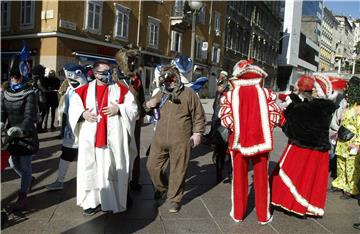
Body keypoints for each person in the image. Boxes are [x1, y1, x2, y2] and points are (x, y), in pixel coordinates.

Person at [68, 60, 138, 215]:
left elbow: (133, 110)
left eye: (109, 71)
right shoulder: (83, 90)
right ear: (94, 73)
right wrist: (83, 113)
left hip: (112, 139)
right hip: (91, 140)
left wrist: (119, 108)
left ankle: (112, 202)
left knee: (112, 169)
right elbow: (73, 109)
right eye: (103, 72)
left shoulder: (120, 89)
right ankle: (91, 202)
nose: (106, 75)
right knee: (91, 170)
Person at [219, 59, 283, 224]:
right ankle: (263, 215)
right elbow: (275, 115)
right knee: (261, 178)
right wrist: (263, 128)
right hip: (261, 142)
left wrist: (238, 128)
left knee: (239, 178)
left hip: (238, 142)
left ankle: (238, 214)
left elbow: (225, 118)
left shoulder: (230, 94)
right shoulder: (266, 93)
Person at [270, 75, 337, 217]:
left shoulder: (304, 108)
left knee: (294, 176)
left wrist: (285, 117)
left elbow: (290, 129)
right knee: (310, 180)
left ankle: (290, 203)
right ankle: (308, 207)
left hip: (300, 148)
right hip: (319, 151)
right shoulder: (327, 108)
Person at [145, 64, 206, 213]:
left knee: (178, 170)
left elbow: (199, 115)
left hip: (181, 140)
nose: (169, 82)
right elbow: (147, 109)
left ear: (178, 78)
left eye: (172, 78)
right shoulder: (160, 93)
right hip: (159, 139)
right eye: (166, 80)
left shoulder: (189, 94)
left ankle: (175, 199)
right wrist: (148, 104)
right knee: (152, 166)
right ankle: (163, 187)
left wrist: (198, 133)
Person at [1, 54, 39, 211]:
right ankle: (29, 179)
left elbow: (30, 116)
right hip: (11, 136)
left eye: (16, 78)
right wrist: (1, 122)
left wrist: (21, 129)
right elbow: (2, 111)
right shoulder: (6, 92)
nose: (14, 81)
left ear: (22, 77)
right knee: (12, 163)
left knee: (25, 165)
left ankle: (22, 197)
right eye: (12, 78)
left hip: (26, 135)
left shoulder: (30, 94)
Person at [46, 63, 88, 191]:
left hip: (84, 131)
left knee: (85, 159)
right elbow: (65, 108)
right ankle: (60, 181)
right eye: (69, 79)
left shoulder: (88, 90)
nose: (71, 82)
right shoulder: (70, 90)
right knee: (66, 155)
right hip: (70, 131)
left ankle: (86, 184)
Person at [115, 48, 145, 192]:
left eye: (134, 60)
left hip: (135, 119)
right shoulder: (115, 77)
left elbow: (141, 97)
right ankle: (121, 179)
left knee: (135, 150)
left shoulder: (137, 77)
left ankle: (134, 179)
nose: (132, 63)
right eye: (129, 60)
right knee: (120, 149)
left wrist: (143, 113)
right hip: (118, 118)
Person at [330, 76, 360, 199]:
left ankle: (350, 188)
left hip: (352, 141)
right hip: (342, 140)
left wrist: (357, 143)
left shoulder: (358, 108)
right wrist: (337, 134)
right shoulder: (348, 106)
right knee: (341, 163)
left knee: (351, 166)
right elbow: (342, 122)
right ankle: (339, 183)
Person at [205, 70, 230, 182]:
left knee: (224, 149)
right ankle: (219, 173)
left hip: (226, 125)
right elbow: (215, 107)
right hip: (217, 122)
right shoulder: (218, 93)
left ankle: (225, 170)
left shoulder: (229, 94)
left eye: (221, 84)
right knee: (219, 149)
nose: (219, 87)